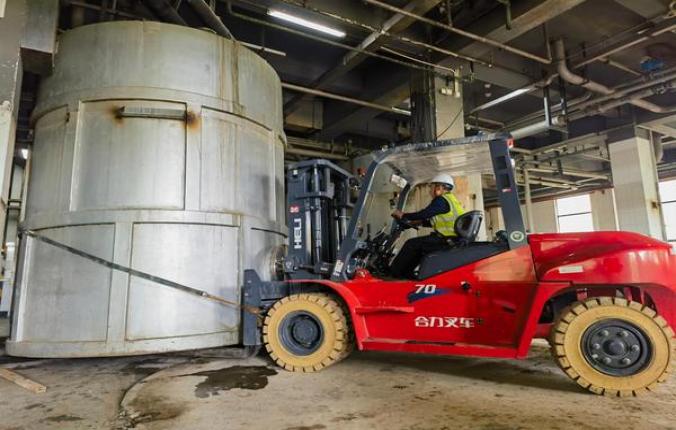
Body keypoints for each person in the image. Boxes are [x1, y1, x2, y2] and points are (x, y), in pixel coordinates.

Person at [389, 173, 464, 279]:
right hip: (452, 239)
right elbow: (440, 221)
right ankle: (406, 274)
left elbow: (424, 213)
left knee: (411, 244)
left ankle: (393, 273)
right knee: (419, 246)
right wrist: (419, 223)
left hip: (447, 240)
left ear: (439, 188)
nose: (430, 191)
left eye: (431, 187)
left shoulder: (441, 200)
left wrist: (404, 215)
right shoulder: (451, 199)